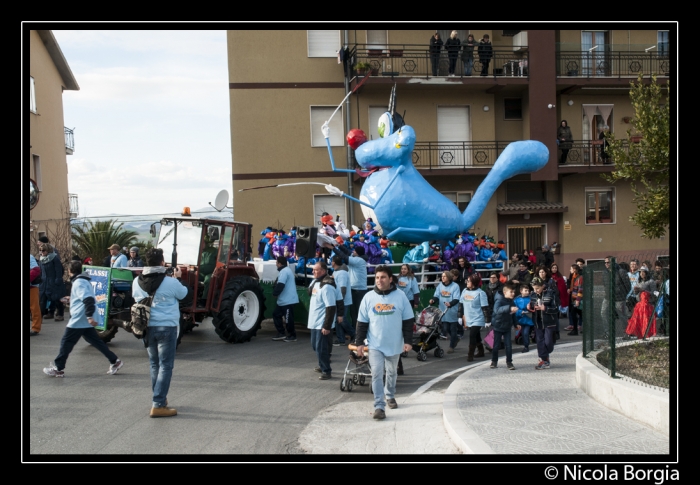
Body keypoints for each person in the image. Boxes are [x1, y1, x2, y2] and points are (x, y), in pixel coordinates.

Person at [132, 248, 191, 418]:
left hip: (147, 327)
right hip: (167, 328)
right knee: (166, 365)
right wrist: (178, 279)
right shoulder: (171, 282)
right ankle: (158, 404)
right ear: (162, 262)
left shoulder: (136, 281)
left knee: (154, 364)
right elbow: (185, 295)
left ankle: (160, 398)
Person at [43, 261, 124, 378]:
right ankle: (115, 361)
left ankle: (58, 368)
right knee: (96, 342)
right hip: (83, 320)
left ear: (70, 271)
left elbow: (88, 300)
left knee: (66, 342)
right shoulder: (84, 281)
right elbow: (84, 297)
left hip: (79, 319)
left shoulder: (79, 282)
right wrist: (72, 299)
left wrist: (89, 316)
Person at [354, 265, 414, 420]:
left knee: (392, 372)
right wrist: (359, 342)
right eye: (377, 277)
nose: (379, 280)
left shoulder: (400, 296)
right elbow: (361, 322)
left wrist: (408, 341)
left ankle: (390, 395)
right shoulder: (368, 297)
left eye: (383, 277)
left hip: (395, 344)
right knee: (376, 373)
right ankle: (379, 406)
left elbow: (408, 321)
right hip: (375, 345)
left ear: (390, 279)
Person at [307, 261, 336, 380]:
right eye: (313, 269)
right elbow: (309, 293)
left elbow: (330, 307)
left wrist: (327, 326)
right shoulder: (315, 282)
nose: (313, 271)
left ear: (323, 271)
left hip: (321, 323)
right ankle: (321, 363)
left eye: (316, 270)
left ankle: (326, 370)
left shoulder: (327, 286)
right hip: (313, 321)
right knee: (315, 346)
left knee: (321, 347)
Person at [529, 277, 560, 370]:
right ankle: (544, 360)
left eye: (537, 288)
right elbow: (532, 305)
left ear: (543, 286)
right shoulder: (533, 294)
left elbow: (556, 308)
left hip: (549, 321)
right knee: (540, 342)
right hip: (538, 322)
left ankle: (545, 356)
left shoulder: (551, 293)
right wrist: (530, 307)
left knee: (548, 343)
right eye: (534, 288)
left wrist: (545, 309)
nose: (535, 290)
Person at [458, 273, 490, 361]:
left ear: (474, 282)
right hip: (468, 317)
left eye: (469, 281)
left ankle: (470, 354)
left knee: (472, 335)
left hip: (478, 318)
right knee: (476, 335)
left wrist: (487, 320)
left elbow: (485, 307)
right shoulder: (464, 291)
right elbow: (461, 304)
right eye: (467, 281)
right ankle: (481, 351)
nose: (467, 282)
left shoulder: (480, 293)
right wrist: (460, 316)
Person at [429, 271, 461, 353]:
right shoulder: (440, 285)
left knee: (452, 328)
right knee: (446, 328)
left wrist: (450, 303)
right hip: (443, 310)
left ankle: (451, 346)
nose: (442, 278)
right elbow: (436, 295)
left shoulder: (455, 286)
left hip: (451, 310)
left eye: (444, 276)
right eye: (442, 276)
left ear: (449, 277)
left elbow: (457, 298)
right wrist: (433, 300)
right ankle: (455, 339)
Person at [490, 281, 519, 370]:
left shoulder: (512, 302)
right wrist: (509, 308)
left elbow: (513, 314)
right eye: (511, 292)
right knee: (496, 345)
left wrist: (516, 324)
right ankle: (494, 361)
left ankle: (509, 362)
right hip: (498, 326)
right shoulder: (499, 300)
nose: (513, 294)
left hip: (507, 326)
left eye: (514, 292)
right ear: (505, 292)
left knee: (509, 345)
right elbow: (497, 310)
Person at [271, 256, 300, 342]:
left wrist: (275, 293)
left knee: (288, 319)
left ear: (279, 263)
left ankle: (292, 335)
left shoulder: (284, 272)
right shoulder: (286, 271)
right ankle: (281, 333)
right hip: (283, 301)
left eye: (276, 263)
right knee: (276, 314)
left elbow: (280, 285)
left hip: (288, 301)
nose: (276, 264)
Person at [38, 243, 66, 322]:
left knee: (57, 299)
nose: (42, 252)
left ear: (48, 250)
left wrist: (58, 280)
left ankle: (60, 314)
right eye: (40, 250)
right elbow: (40, 271)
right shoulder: (41, 259)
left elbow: (59, 270)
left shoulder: (55, 258)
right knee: (42, 300)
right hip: (44, 283)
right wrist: (40, 280)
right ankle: (39, 317)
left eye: (43, 250)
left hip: (53, 282)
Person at [331, 255, 355, 346]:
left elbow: (343, 289)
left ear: (334, 263)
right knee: (338, 319)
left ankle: (353, 334)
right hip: (340, 300)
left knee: (342, 319)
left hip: (343, 300)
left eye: (332, 261)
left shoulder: (342, 273)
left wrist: (339, 301)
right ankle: (341, 339)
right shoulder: (337, 271)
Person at [347, 246, 368, 331]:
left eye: (354, 251)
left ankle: (359, 332)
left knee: (358, 313)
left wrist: (332, 248)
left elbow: (344, 256)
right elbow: (347, 252)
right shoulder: (356, 258)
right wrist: (337, 246)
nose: (353, 252)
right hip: (354, 289)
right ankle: (356, 332)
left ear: (358, 253)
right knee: (353, 313)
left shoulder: (358, 260)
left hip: (359, 290)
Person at [514, 284, 534, 353]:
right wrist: (520, 312)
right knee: (522, 333)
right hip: (520, 319)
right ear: (521, 291)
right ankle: (526, 344)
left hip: (528, 319)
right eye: (525, 290)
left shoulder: (531, 298)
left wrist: (530, 309)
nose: (527, 292)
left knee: (525, 333)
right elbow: (515, 309)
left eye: (528, 290)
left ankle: (526, 346)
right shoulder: (516, 300)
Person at [198, 234, 218, 301]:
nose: (201, 244)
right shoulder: (197, 251)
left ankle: (204, 300)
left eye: (202, 242)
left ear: (205, 243)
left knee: (208, 280)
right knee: (191, 277)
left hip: (210, 273)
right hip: (200, 272)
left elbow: (220, 261)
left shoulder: (214, 251)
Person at [566, 264, 583, 335]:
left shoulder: (580, 278)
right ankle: (576, 329)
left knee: (574, 313)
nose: (570, 270)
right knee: (579, 313)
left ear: (575, 270)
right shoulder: (573, 277)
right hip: (574, 298)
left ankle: (575, 330)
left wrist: (578, 300)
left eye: (571, 269)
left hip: (577, 299)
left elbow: (580, 289)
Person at [30, 254, 43, 336]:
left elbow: (36, 269)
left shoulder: (30, 257)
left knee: (34, 307)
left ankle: (35, 328)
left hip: (32, 286)